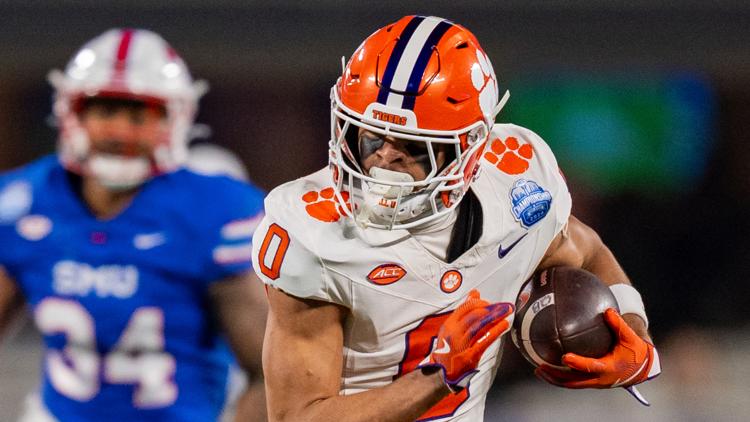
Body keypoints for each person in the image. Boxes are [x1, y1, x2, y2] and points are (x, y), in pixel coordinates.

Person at [252, 15, 660, 422]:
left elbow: (585, 250)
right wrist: (435, 378)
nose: (383, 158)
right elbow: (296, 417)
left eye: (413, 146)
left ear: (469, 151)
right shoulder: (312, 232)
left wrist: (633, 332)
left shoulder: (516, 189)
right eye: (370, 135)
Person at [0, 29, 267, 421]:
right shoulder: (22, 201)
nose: (120, 132)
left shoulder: (215, 209)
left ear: (174, 119)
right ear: (72, 113)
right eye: (106, 112)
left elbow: (268, 371)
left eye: (139, 114)